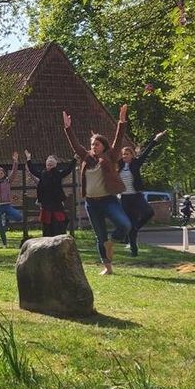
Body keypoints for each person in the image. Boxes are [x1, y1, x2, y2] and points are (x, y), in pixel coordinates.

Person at [63, 106, 131, 275]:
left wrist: (121, 122)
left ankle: (112, 241)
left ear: (103, 146)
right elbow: (75, 145)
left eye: (97, 144)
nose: (94, 146)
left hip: (108, 200)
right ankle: (107, 267)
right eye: (92, 144)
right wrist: (67, 128)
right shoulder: (86, 157)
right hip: (91, 203)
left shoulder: (111, 156)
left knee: (125, 224)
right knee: (100, 235)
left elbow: (118, 139)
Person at [118, 131, 166, 255]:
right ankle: (134, 250)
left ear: (132, 155)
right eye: (123, 154)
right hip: (124, 197)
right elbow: (108, 155)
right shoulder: (119, 165)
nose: (125, 156)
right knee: (129, 222)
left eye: (127, 154)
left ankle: (136, 228)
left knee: (149, 212)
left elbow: (147, 152)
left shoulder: (136, 163)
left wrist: (156, 139)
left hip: (136, 195)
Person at [24, 150, 75, 237]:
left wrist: (74, 159)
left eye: (51, 164)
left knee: (59, 223)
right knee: (46, 224)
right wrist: (28, 159)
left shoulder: (58, 174)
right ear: (46, 165)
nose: (49, 165)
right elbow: (32, 170)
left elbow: (68, 170)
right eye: (48, 164)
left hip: (56, 204)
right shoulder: (43, 174)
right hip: (46, 203)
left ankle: (59, 239)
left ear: (55, 165)